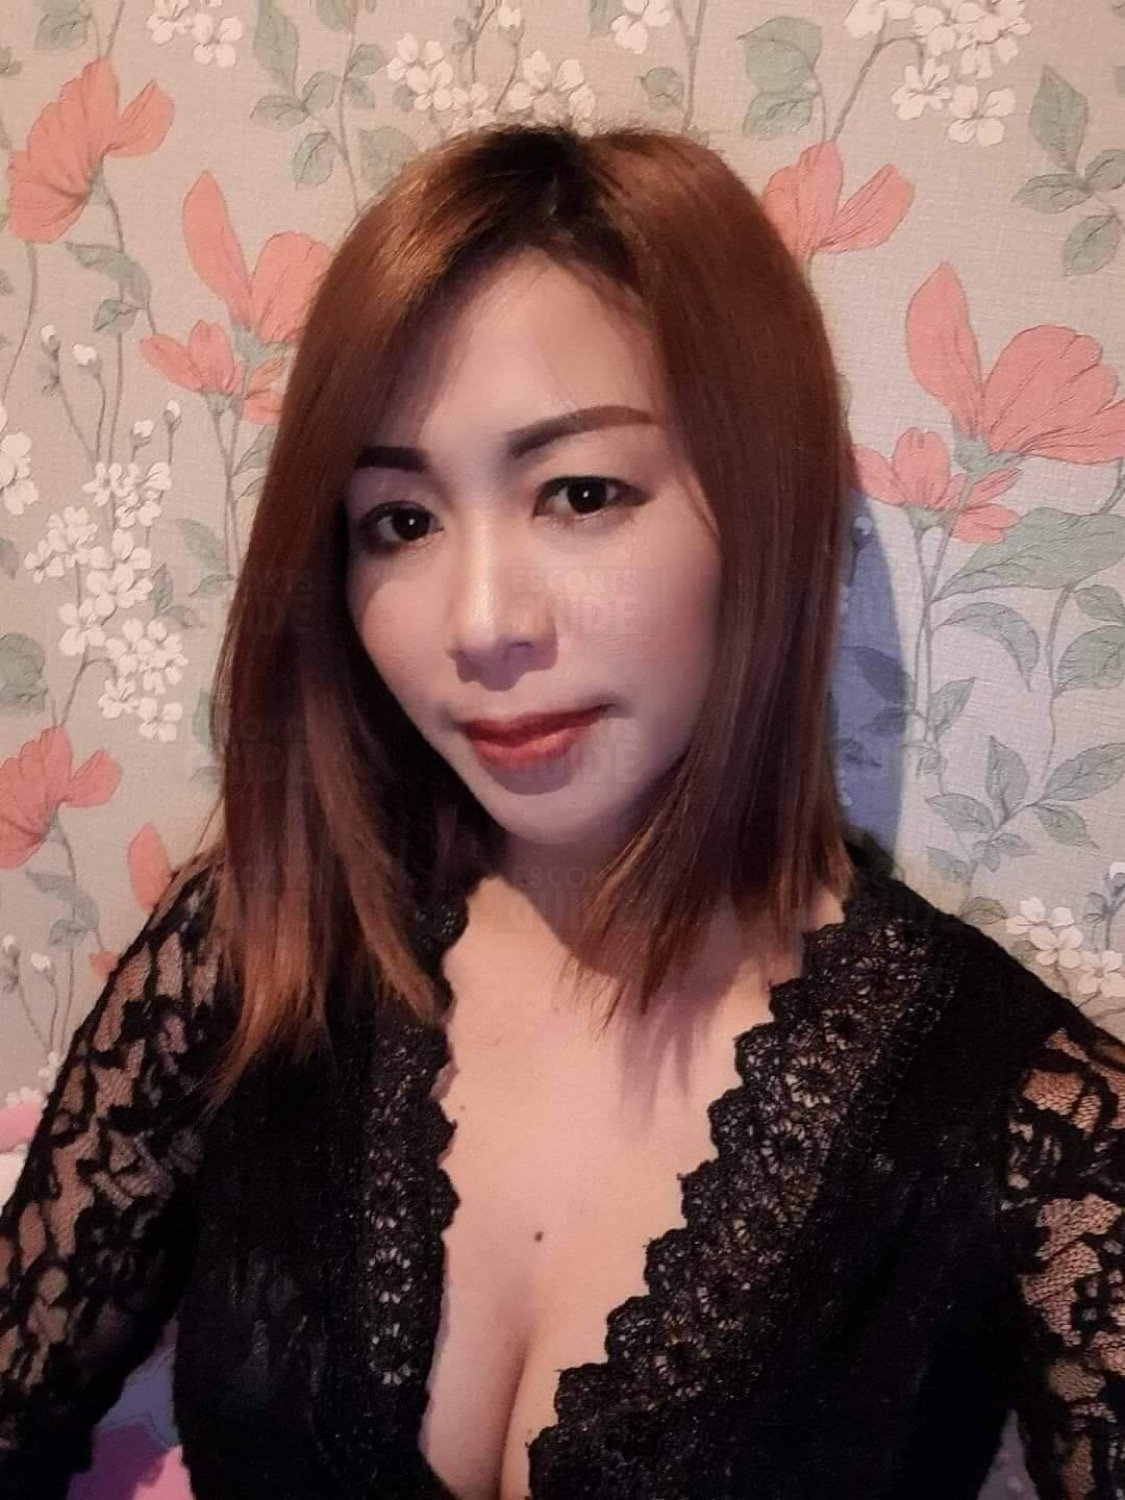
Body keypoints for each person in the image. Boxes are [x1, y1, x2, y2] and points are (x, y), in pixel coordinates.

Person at [1, 119, 1124, 1500]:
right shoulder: (265, 944)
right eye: (399, 521)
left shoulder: (1035, 1129)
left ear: (763, 512)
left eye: (580, 492)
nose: (479, 625)